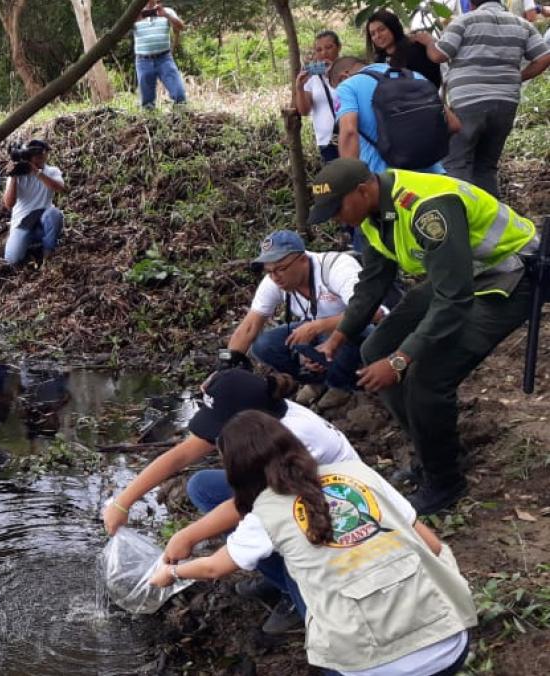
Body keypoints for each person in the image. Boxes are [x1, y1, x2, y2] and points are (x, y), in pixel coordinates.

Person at [149, 411, 475, 676]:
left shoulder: (266, 512)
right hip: (450, 642)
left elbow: (213, 567)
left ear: (237, 470)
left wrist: (171, 574)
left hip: (374, 665)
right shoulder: (358, 472)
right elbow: (431, 545)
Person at [308, 159, 540, 514]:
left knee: (427, 379)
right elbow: (373, 281)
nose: (336, 217)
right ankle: (434, 449)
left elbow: (454, 301)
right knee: (375, 349)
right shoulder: (370, 214)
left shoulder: (427, 209)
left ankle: (445, 481)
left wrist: (401, 359)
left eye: (338, 208)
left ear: (363, 189)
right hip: (461, 277)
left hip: (510, 277)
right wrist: (340, 335)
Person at [103, 369, 361, 634]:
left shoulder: (294, 442)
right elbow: (182, 455)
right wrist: (123, 502)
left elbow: (248, 508)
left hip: (331, 517)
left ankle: (300, 595)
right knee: (204, 487)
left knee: (300, 563)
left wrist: (187, 538)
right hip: (286, 494)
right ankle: (280, 578)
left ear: (248, 423)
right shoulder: (264, 415)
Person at [410, 0, 550, 198]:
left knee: (457, 162)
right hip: (506, 103)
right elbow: (544, 57)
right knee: (486, 167)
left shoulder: (464, 22)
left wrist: (427, 41)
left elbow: (438, 56)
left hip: (469, 101)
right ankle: (494, 221)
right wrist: (518, 77)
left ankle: (464, 217)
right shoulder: (521, 25)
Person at [224, 231, 372, 411]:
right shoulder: (274, 279)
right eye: (269, 271)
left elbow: (372, 313)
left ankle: (342, 385)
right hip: (315, 329)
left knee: (334, 343)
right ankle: (317, 381)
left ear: (303, 259)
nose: (275, 277)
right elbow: (249, 327)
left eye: (281, 268)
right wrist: (224, 366)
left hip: (357, 329)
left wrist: (318, 327)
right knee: (263, 345)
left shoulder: (336, 267)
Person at [330, 55, 450, 178]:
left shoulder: (347, 87)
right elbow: (454, 124)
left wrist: (351, 181)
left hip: (387, 181)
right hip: (434, 176)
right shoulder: (416, 77)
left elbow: (349, 132)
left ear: (343, 77)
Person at [1, 140, 67, 266]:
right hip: (23, 222)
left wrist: (37, 172)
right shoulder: (18, 175)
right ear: (28, 157)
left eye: (42, 155)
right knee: (12, 259)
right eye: (35, 156)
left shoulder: (52, 171)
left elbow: (60, 189)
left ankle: (48, 251)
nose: (40, 159)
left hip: (43, 219)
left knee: (54, 213)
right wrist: (13, 176)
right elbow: (9, 204)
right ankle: (31, 243)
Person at [293, 30, 342, 162]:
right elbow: (304, 111)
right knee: (336, 180)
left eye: (329, 47)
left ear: (339, 48)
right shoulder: (312, 78)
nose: (324, 53)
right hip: (327, 141)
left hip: (352, 135)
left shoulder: (349, 71)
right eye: (319, 50)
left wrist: (335, 74)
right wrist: (300, 87)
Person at [366, 9, 444, 88]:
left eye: (382, 29)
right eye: (373, 34)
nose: (377, 36)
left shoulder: (415, 50)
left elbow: (432, 81)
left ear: (393, 27)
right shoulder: (379, 61)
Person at [132, 0, 188, 109]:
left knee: (179, 95)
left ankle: (179, 119)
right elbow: (121, 34)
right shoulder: (134, 14)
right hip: (143, 61)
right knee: (147, 103)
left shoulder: (167, 11)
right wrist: (134, 19)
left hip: (164, 59)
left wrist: (166, 15)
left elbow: (181, 27)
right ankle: (150, 123)